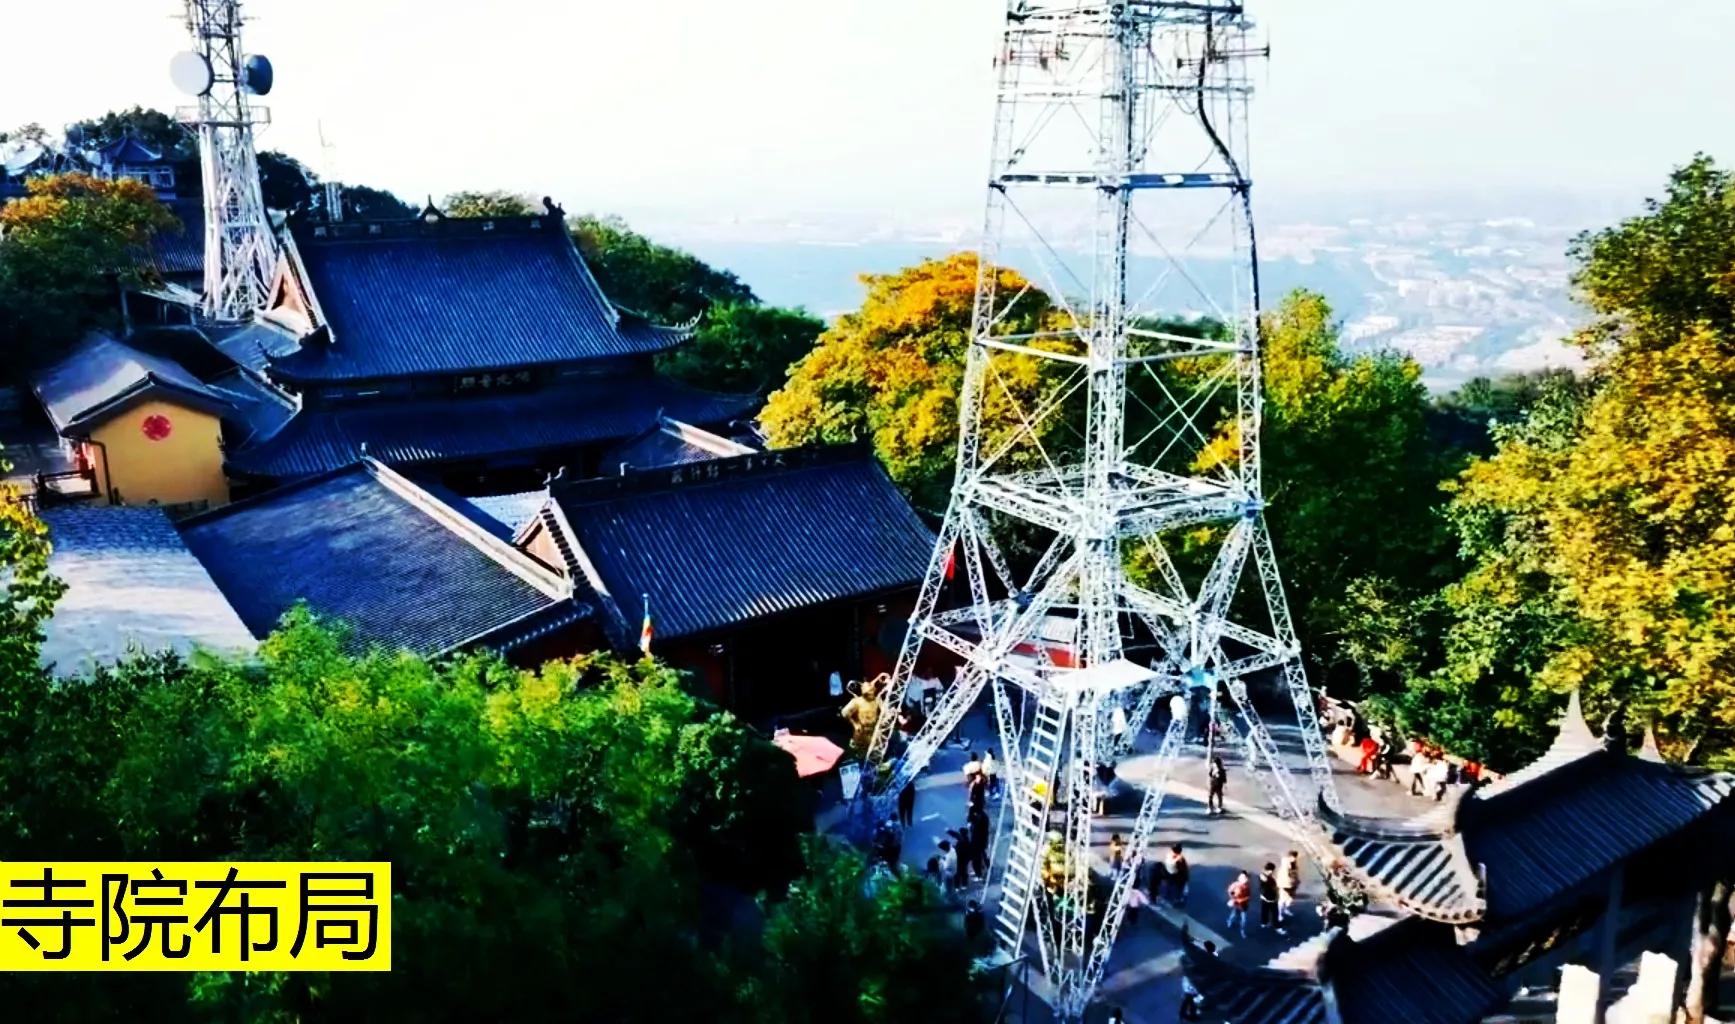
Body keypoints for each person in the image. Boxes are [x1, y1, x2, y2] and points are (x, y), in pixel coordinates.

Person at [1179, 940, 1216, 1020]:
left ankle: (1192, 1011)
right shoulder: (1197, 958)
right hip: (1193, 982)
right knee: (1190, 998)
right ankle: (1188, 1014)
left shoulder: (1206, 956)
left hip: (1197, 982)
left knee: (1192, 997)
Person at [1278, 850, 1301, 926]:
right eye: (1294, 857)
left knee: (1290, 899)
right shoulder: (1285, 865)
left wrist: (1297, 880)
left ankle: (1285, 909)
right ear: (1290, 857)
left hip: (1292, 884)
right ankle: (1280, 914)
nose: (1295, 859)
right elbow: (1285, 875)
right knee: (1282, 900)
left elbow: (1295, 873)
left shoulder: (1294, 863)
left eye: (1295, 857)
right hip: (1285, 885)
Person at [967, 804, 991, 878]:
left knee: (977, 858)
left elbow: (969, 819)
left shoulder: (979, 820)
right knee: (983, 855)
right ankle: (986, 867)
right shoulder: (983, 817)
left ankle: (979, 874)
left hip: (978, 842)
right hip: (982, 840)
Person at [1225, 871, 1251, 937]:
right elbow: (1230, 891)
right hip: (1237, 905)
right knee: (1234, 914)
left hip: (1243, 906)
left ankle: (1242, 930)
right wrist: (1233, 899)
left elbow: (1248, 896)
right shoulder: (1235, 885)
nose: (1245, 879)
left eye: (1246, 878)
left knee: (1244, 919)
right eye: (1243, 878)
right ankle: (1229, 921)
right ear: (1239, 878)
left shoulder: (1246, 886)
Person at [1258, 862, 1280, 932]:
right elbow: (1272, 888)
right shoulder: (1269, 879)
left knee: (1264, 910)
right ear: (1270, 870)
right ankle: (1276, 925)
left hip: (1264, 898)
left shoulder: (1261, 876)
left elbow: (1261, 888)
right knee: (1274, 912)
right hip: (1271, 898)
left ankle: (1264, 922)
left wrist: (1262, 895)